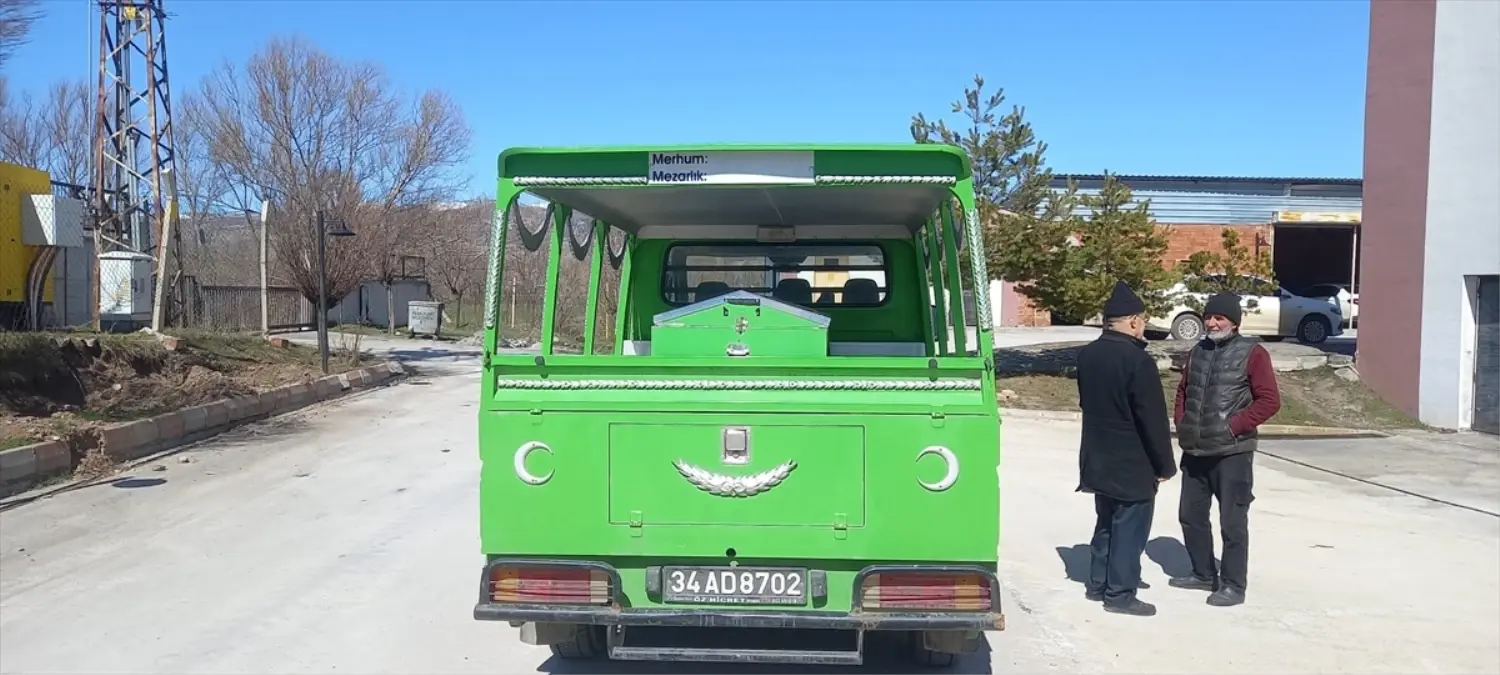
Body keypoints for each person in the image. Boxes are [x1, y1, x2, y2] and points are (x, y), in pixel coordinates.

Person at [1170, 292, 1281, 608]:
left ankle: (1233, 584)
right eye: (1208, 317)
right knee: (1190, 515)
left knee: (1232, 522)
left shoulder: (1253, 353)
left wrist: (1235, 425)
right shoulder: (1197, 351)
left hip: (1233, 452)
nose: (1212, 322)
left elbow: (1269, 401)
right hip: (1195, 450)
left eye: (1219, 317)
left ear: (1234, 322)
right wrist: (1183, 422)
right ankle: (1203, 572)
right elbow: (1182, 392)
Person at [1075, 281, 1177, 617]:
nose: (1144, 327)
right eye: (1143, 321)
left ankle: (1098, 583)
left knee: (1105, 522)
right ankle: (1120, 594)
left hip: (1097, 457)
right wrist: (1165, 465)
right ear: (1133, 321)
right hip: (1132, 461)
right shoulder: (1137, 362)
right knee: (1129, 529)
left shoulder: (1087, 355)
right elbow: (1152, 420)